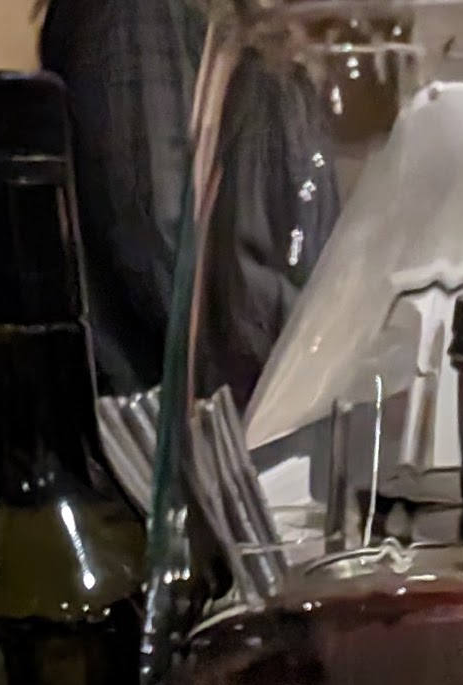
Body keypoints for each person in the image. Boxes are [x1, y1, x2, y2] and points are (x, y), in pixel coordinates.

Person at [39, 0, 340, 403]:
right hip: (186, 420)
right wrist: (332, 352)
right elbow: (171, 262)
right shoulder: (140, 13)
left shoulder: (267, 22)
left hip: (272, 409)